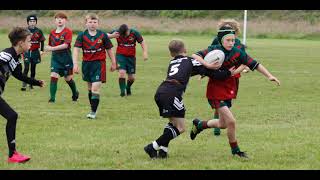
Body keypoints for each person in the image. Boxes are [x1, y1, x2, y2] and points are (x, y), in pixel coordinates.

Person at [190, 26, 281, 158]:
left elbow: (254, 64)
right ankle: (236, 151)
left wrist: (269, 75)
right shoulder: (214, 50)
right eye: (228, 40)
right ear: (221, 40)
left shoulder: (238, 52)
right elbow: (195, 55)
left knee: (222, 124)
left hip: (228, 88)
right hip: (215, 90)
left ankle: (199, 124)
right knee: (231, 122)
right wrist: (208, 65)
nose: (231, 43)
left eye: (233, 40)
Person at [143, 39, 243, 159]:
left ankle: (163, 151)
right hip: (172, 93)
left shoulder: (173, 62)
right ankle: (152, 146)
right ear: (185, 50)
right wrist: (227, 73)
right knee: (180, 128)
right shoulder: (191, 60)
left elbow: (186, 71)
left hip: (161, 91)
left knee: (172, 123)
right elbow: (212, 74)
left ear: (171, 53)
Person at [0, 27, 44, 163]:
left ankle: (13, 154)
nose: (31, 44)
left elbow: (19, 75)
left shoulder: (16, 58)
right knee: (12, 116)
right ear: (20, 43)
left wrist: (36, 82)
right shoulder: (6, 55)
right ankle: (12, 155)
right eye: (29, 41)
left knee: (12, 116)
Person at [73, 13, 117, 119]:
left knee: (95, 88)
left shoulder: (103, 35)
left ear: (98, 23)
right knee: (90, 88)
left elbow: (109, 49)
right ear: (86, 23)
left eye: (95, 22)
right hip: (87, 65)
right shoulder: (82, 35)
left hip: (99, 64)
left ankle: (93, 112)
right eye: (90, 22)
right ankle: (93, 108)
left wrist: (114, 62)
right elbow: (76, 50)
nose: (92, 24)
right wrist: (75, 64)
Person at [210, 19, 248, 136]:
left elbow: (244, 60)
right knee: (219, 98)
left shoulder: (238, 43)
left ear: (235, 31)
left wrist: (241, 69)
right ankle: (220, 121)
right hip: (219, 74)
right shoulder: (217, 40)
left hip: (233, 75)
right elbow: (211, 56)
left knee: (227, 100)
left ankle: (221, 120)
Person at [44, 12, 79, 103]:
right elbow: (48, 46)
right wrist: (44, 51)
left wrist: (52, 48)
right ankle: (52, 98)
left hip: (66, 58)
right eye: (58, 18)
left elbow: (66, 45)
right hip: (55, 59)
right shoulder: (52, 33)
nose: (59, 20)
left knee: (68, 78)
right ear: (55, 21)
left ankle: (75, 93)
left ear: (65, 20)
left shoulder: (68, 31)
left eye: (62, 18)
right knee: (53, 75)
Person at [111, 24, 148, 97]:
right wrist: (111, 35)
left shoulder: (134, 33)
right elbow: (104, 35)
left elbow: (142, 42)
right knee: (122, 73)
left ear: (128, 30)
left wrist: (145, 52)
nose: (125, 36)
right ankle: (122, 92)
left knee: (131, 78)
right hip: (120, 56)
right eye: (123, 35)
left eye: (126, 34)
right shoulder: (117, 32)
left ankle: (128, 87)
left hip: (131, 57)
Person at [21, 14, 45, 91]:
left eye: (34, 21)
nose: (32, 22)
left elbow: (42, 41)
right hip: (26, 52)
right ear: (28, 22)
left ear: (36, 22)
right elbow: (20, 42)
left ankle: (31, 84)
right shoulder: (24, 31)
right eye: (30, 21)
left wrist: (41, 50)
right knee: (26, 68)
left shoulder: (39, 31)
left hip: (35, 52)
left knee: (33, 69)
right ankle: (24, 83)